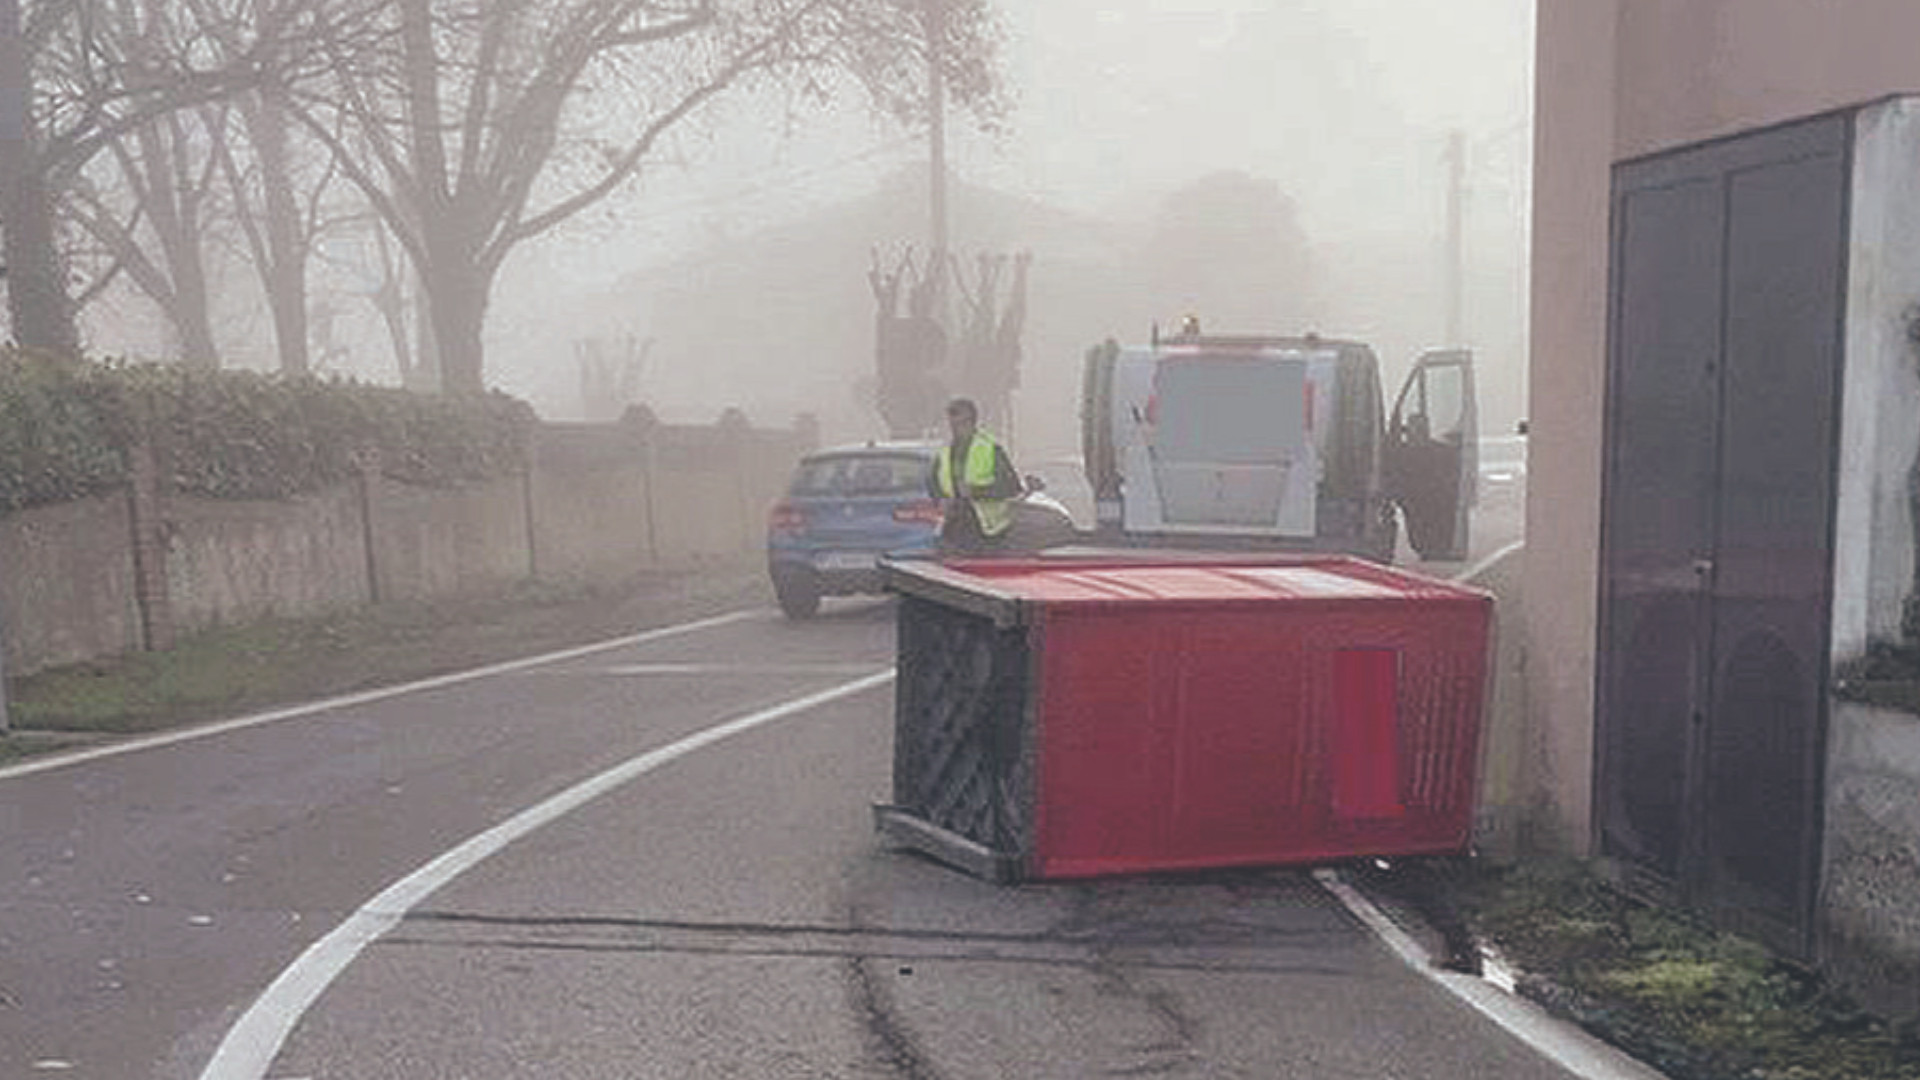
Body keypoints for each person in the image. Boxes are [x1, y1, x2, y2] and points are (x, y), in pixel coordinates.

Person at [929, 397, 1022, 554]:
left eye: (961, 423)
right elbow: (933, 482)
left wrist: (977, 491)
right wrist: (940, 498)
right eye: (953, 424)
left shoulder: (990, 448)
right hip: (955, 523)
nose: (956, 429)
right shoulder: (944, 452)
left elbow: (1011, 487)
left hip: (988, 529)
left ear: (973, 422)